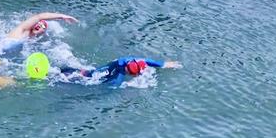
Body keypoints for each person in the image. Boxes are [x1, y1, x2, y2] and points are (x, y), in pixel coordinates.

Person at [53, 56, 183, 84]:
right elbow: (112, 87)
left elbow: (147, 61)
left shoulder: (126, 60)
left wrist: (163, 65)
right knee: (57, 77)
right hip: (82, 78)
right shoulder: (117, 78)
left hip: (84, 71)